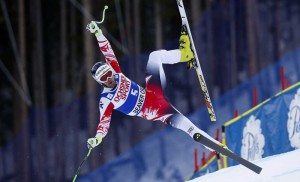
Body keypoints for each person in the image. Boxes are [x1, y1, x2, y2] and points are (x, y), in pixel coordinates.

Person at [86, 21, 226, 153]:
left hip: (153, 92)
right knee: (186, 126)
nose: (109, 78)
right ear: (100, 82)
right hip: (153, 110)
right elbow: (104, 123)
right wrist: (97, 138)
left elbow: (107, 51)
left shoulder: (116, 72)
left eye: (108, 73)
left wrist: (98, 33)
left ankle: (186, 54)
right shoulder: (106, 99)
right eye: (104, 78)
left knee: (155, 56)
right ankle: (216, 147)